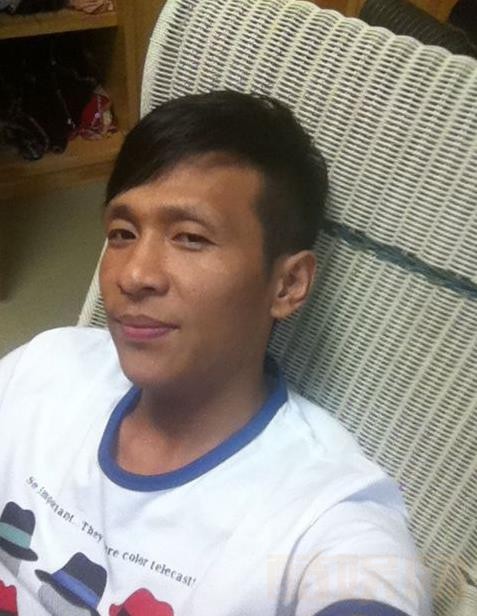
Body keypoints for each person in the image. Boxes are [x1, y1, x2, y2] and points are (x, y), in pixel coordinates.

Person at [0, 91, 431, 616]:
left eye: (190, 238)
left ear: (288, 284)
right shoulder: (48, 368)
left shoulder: (323, 513)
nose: (134, 274)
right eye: (122, 233)